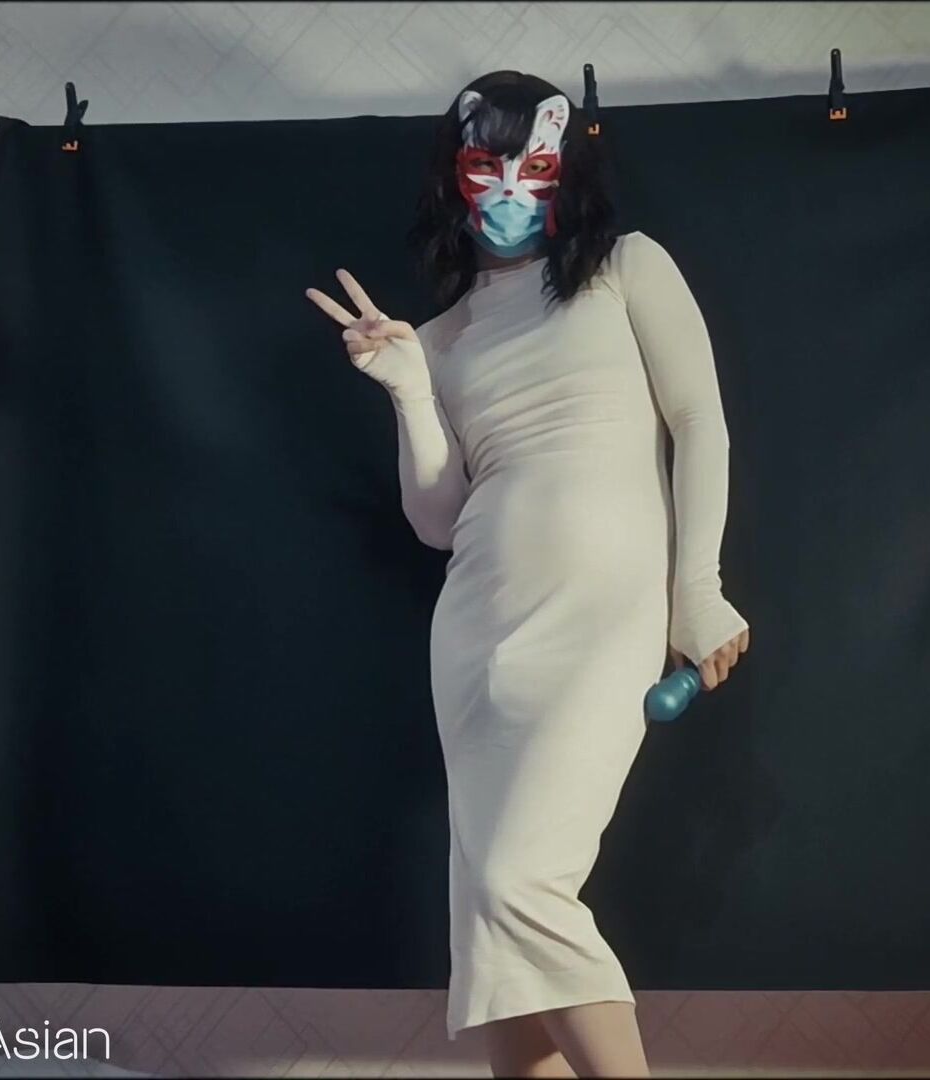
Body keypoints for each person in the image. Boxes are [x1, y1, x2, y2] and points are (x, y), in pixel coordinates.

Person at [306, 69, 750, 1078]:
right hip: (477, 629)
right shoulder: (440, 336)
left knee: (518, 882)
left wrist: (697, 587)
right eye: (485, 167)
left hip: (602, 617)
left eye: (534, 166)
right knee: (488, 926)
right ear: (451, 178)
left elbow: (699, 422)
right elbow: (436, 522)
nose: (509, 189)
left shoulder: (627, 267)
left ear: (567, 173)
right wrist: (408, 390)